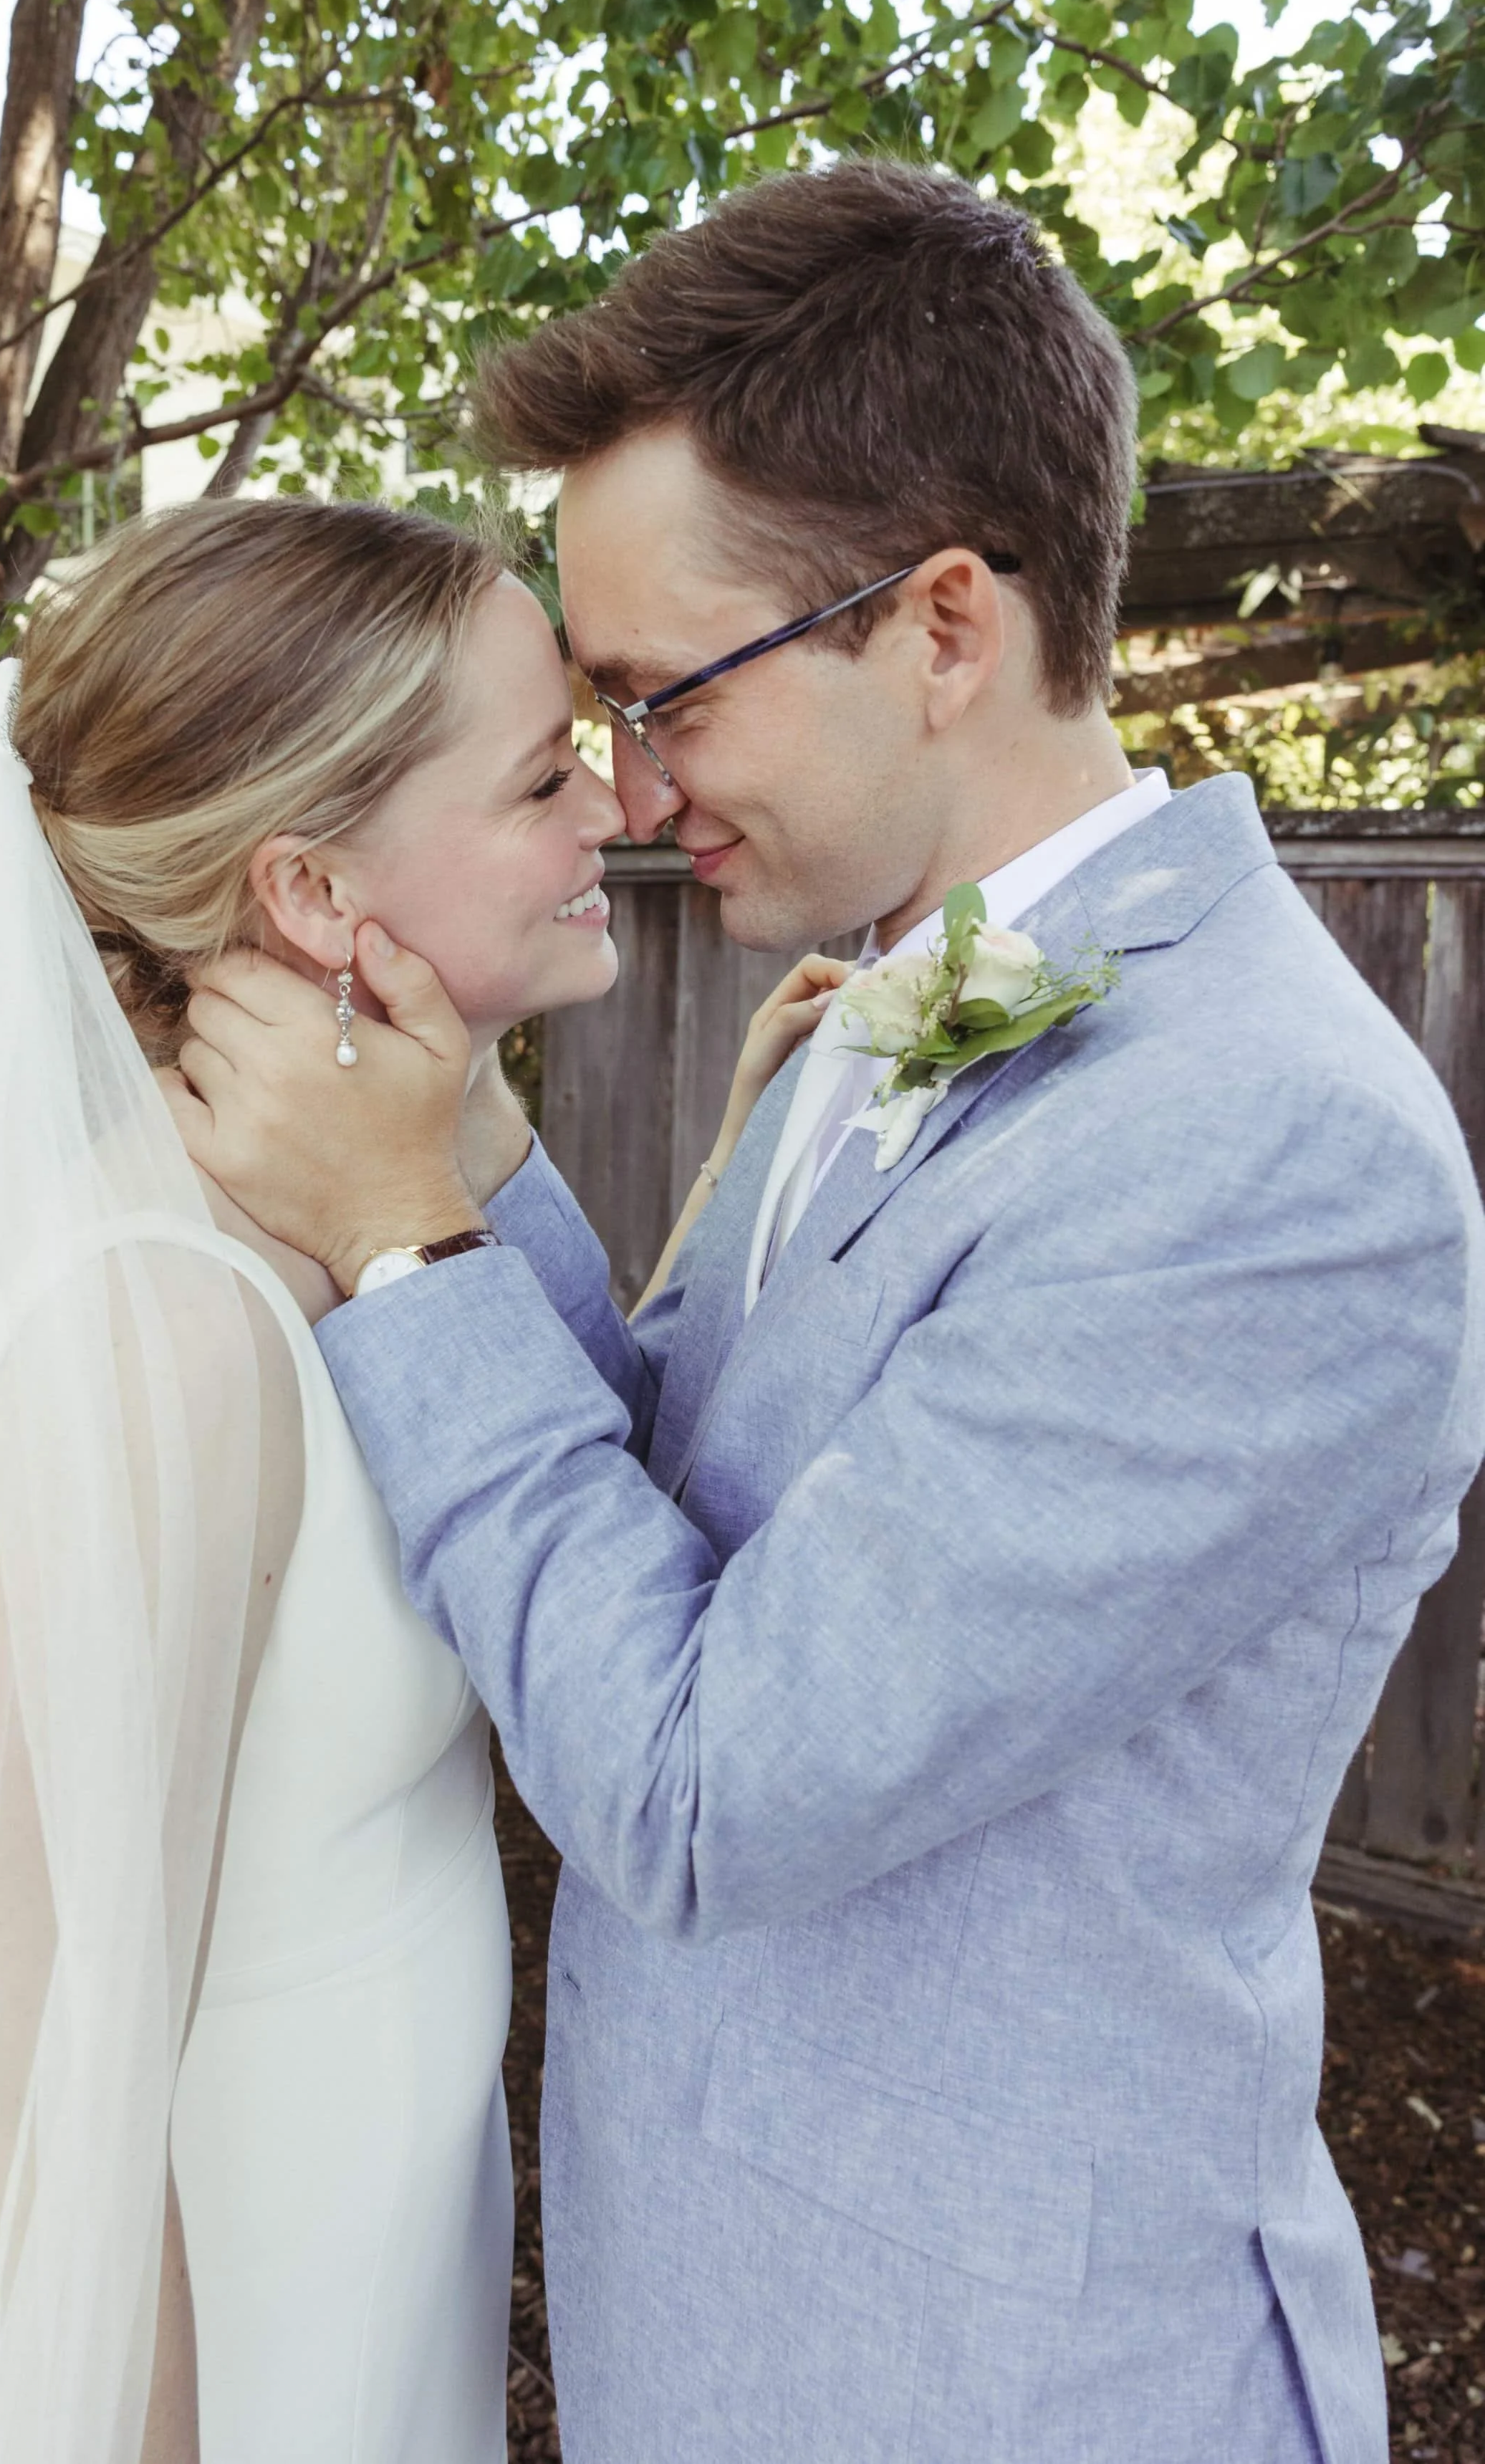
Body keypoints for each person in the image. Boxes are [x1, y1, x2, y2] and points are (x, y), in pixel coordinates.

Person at [172, 163, 1485, 2464]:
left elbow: (698, 1783)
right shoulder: (894, 985)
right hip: (729, 2333)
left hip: (992, 2386)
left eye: (658, 696)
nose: (631, 790)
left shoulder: (1270, 1159)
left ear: (944, 627)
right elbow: (679, 1511)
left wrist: (406, 1248)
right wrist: (458, 1137)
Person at [0, 493, 713, 2464]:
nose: (617, 807)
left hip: (374, 2268)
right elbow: (55, 2091)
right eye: (538, 778)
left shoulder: (347, 1239)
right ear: (317, 895)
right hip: (237, 2344)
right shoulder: (159, 1331)